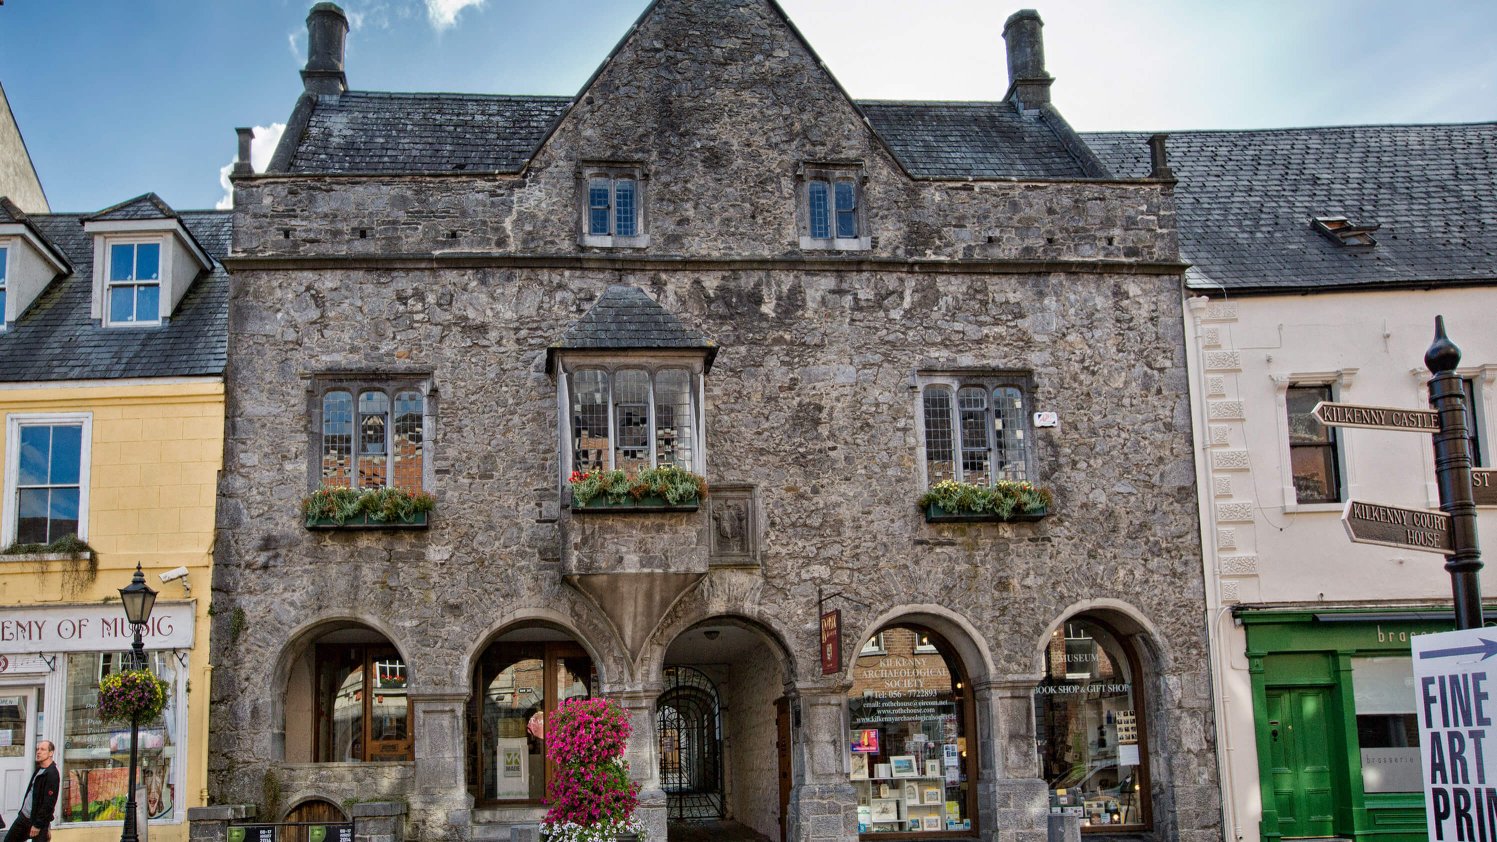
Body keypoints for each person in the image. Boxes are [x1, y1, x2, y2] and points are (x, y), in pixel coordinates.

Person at [5, 741, 58, 841]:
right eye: (37, 749)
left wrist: (38, 825)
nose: (38, 752)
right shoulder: (39, 769)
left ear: (51, 753)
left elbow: (49, 803)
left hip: (37, 822)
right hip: (24, 817)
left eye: (42, 749)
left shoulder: (52, 774)